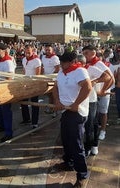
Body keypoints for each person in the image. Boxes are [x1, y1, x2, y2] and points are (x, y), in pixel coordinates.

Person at [53, 51, 92, 188]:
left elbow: (88, 87)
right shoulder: (61, 73)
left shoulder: (79, 71)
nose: (62, 64)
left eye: (64, 62)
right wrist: (57, 101)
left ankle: (82, 175)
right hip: (65, 110)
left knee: (76, 144)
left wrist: (76, 104)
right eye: (61, 62)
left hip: (77, 112)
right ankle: (68, 163)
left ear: (72, 62)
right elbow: (55, 87)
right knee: (65, 139)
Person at [82, 45, 114, 145]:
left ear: (93, 53)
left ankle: (103, 130)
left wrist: (103, 90)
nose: (84, 56)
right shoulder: (88, 64)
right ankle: (92, 135)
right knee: (94, 117)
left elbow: (110, 78)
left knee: (103, 112)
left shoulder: (99, 64)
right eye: (83, 54)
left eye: (86, 53)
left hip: (102, 92)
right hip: (94, 93)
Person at [0, 42, 15, 142]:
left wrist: (4, 92)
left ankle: (8, 133)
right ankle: (2, 126)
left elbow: (9, 79)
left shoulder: (8, 62)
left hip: (4, 91)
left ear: (4, 51)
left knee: (6, 112)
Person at [20, 45, 42, 128]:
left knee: (34, 104)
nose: (27, 54)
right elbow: (24, 71)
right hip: (26, 83)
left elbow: (38, 75)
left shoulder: (37, 61)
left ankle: (34, 123)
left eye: (29, 52)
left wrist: (35, 85)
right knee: (23, 102)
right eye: (26, 52)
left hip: (33, 85)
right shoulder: (24, 59)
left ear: (32, 51)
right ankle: (26, 119)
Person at [41, 44, 60, 115]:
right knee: (49, 95)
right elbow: (43, 67)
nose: (47, 51)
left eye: (49, 50)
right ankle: (51, 108)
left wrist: (51, 77)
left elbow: (57, 69)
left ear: (52, 50)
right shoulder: (43, 57)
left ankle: (55, 110)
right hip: (46, 79)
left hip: (53, 79)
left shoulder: (55, 58)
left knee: (54, 95)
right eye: (46, 50)